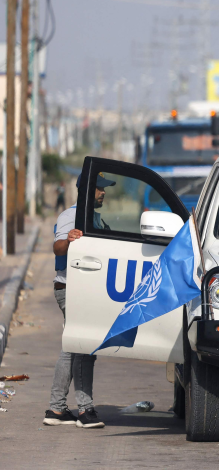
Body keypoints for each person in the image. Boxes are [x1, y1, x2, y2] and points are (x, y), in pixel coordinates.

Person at [43, 172, 115, 428]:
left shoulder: (95, 217)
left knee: (72, 347)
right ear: (86, 190)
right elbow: (58, 247)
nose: (103, 193)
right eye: (99, 189)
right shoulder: (70, 215)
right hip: (70, 288)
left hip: (85, 289)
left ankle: (57, 409)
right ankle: (85, 411)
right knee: (84, 346)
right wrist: (69, 239)